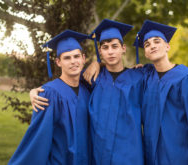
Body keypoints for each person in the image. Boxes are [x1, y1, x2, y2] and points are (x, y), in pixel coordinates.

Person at [29, 19, 147, 165]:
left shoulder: (141, 78)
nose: (110, 51)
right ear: (100, 51)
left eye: (114, 46)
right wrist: (34, 91)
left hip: (130, 156)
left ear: (123, 48)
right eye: (105, 47)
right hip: (98, 156)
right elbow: (64, 84)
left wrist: (97, 63)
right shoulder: (91, 79)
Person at [134, 20, 188, 165]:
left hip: (180, 156)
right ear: (145, 53)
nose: (152, 46)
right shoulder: (145, 78)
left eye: (157, 41)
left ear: (167, 46)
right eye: (147, 44)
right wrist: (97, 63)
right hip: (153, 156)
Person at [9, 30, 91, 165]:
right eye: (67, 58)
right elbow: (38, 138)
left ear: (83, 58)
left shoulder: (87, 91)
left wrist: (98, 64)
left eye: (76, 56)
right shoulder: (49, 94)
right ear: (58, 62)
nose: (73, 62)